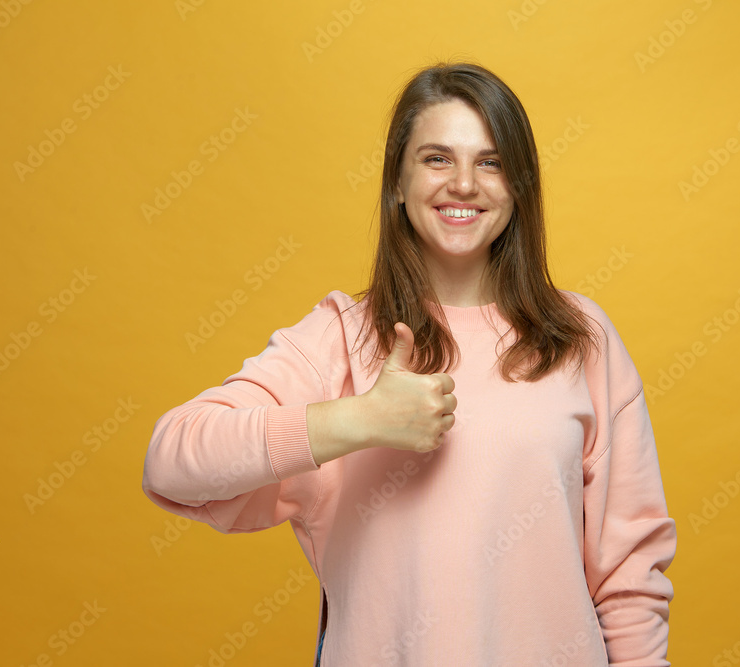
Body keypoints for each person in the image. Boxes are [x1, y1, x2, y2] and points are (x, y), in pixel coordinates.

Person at [142, 61, 676, 666]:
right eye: (437, 158)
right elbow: (171, 460)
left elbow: (629, 578)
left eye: (491, 162)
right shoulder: (340, 337)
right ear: (398, 181)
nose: (465, 184)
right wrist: (358, 420)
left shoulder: (581, 338)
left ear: (519, 188)